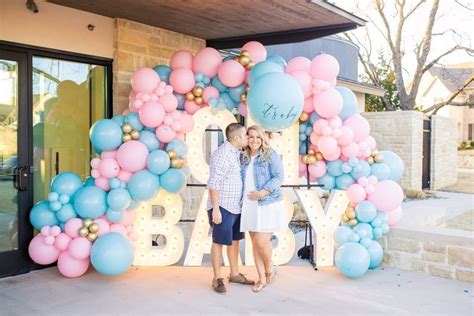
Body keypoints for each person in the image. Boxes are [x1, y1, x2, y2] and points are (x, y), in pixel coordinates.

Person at [207, 123, 254, 294]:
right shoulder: (222, 154)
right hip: (223, 207)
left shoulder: (237, 153)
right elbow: (213, 184)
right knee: (219, 242)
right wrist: (216, 209)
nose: (248, 138)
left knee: (234, 241)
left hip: (236, 206)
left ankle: (234, 274)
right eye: (245, 136)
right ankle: (217, 278)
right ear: (236, 138)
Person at [240, 125, 285, 293]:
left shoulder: (270, 154)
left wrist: (261, 193)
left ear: (262, 138)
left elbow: (279, 177)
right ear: (246, 138)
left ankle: (269, 267)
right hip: (248, 204)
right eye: (251, 137)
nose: (254, 140)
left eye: (257, 137)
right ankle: (261, 278)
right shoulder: (243, 157)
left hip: (267, 203)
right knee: (255, 243)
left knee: (261, 241)